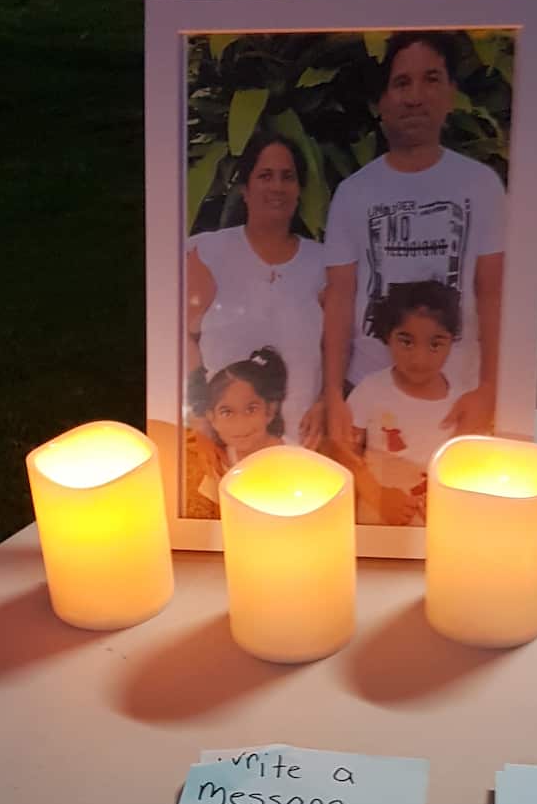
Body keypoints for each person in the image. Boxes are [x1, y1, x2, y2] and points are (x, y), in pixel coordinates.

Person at [319, 30, 505, 455]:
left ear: (451, 92)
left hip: (457, 399)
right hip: (369, 397)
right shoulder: (354, 193)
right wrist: (333, 394)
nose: (416, 96)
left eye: (431, 79)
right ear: (381, 102)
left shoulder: (480, 185)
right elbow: (340, 297)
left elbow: (492, 293)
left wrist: (489, 388)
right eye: (401, 83)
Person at [186, 132, 325, 452]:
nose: (277, 186)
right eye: (265, 176)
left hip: (303, 445)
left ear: (299, 190)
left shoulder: (323, 262)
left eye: (287, 177)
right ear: (245, 189)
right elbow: (182, 338)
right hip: (221, 443)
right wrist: (200, 416)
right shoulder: (206, 253)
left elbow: (336, 346)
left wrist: (325, 403)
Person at [339, 280, 461, 527]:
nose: (419, 358)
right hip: (376, 527)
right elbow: (342, 452)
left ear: (451, 341)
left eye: (435, 344)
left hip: (439, 531)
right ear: (388, 337)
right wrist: (377, 496)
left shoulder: (461, 401)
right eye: (407, 341)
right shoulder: (370, 391)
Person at [183, 347, 287, 516]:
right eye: (227, 412)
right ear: (212, 418)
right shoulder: (216, 462)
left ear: (269, 411)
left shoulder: (292, 459)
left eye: (251, 409)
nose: (240, 423)